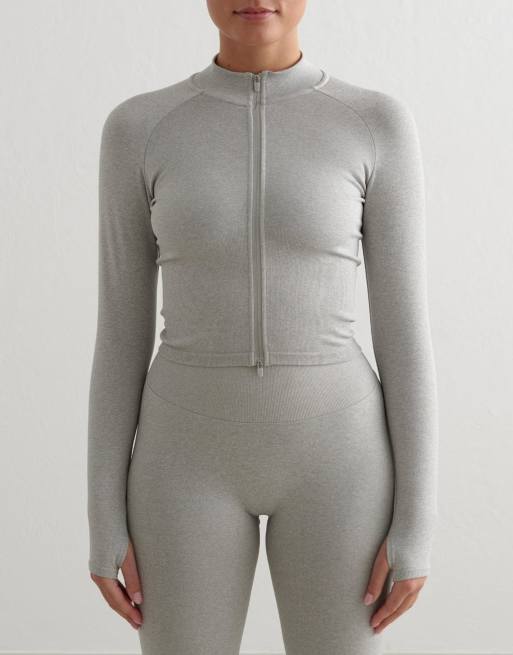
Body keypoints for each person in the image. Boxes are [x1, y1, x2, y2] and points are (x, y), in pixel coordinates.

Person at [87, 1, 439, 653]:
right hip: (182, 461)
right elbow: (118, 337)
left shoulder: (374, 123)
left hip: (340, 460)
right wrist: (102, 516)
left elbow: (405, 336)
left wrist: (416, 521)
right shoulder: (139, 128)